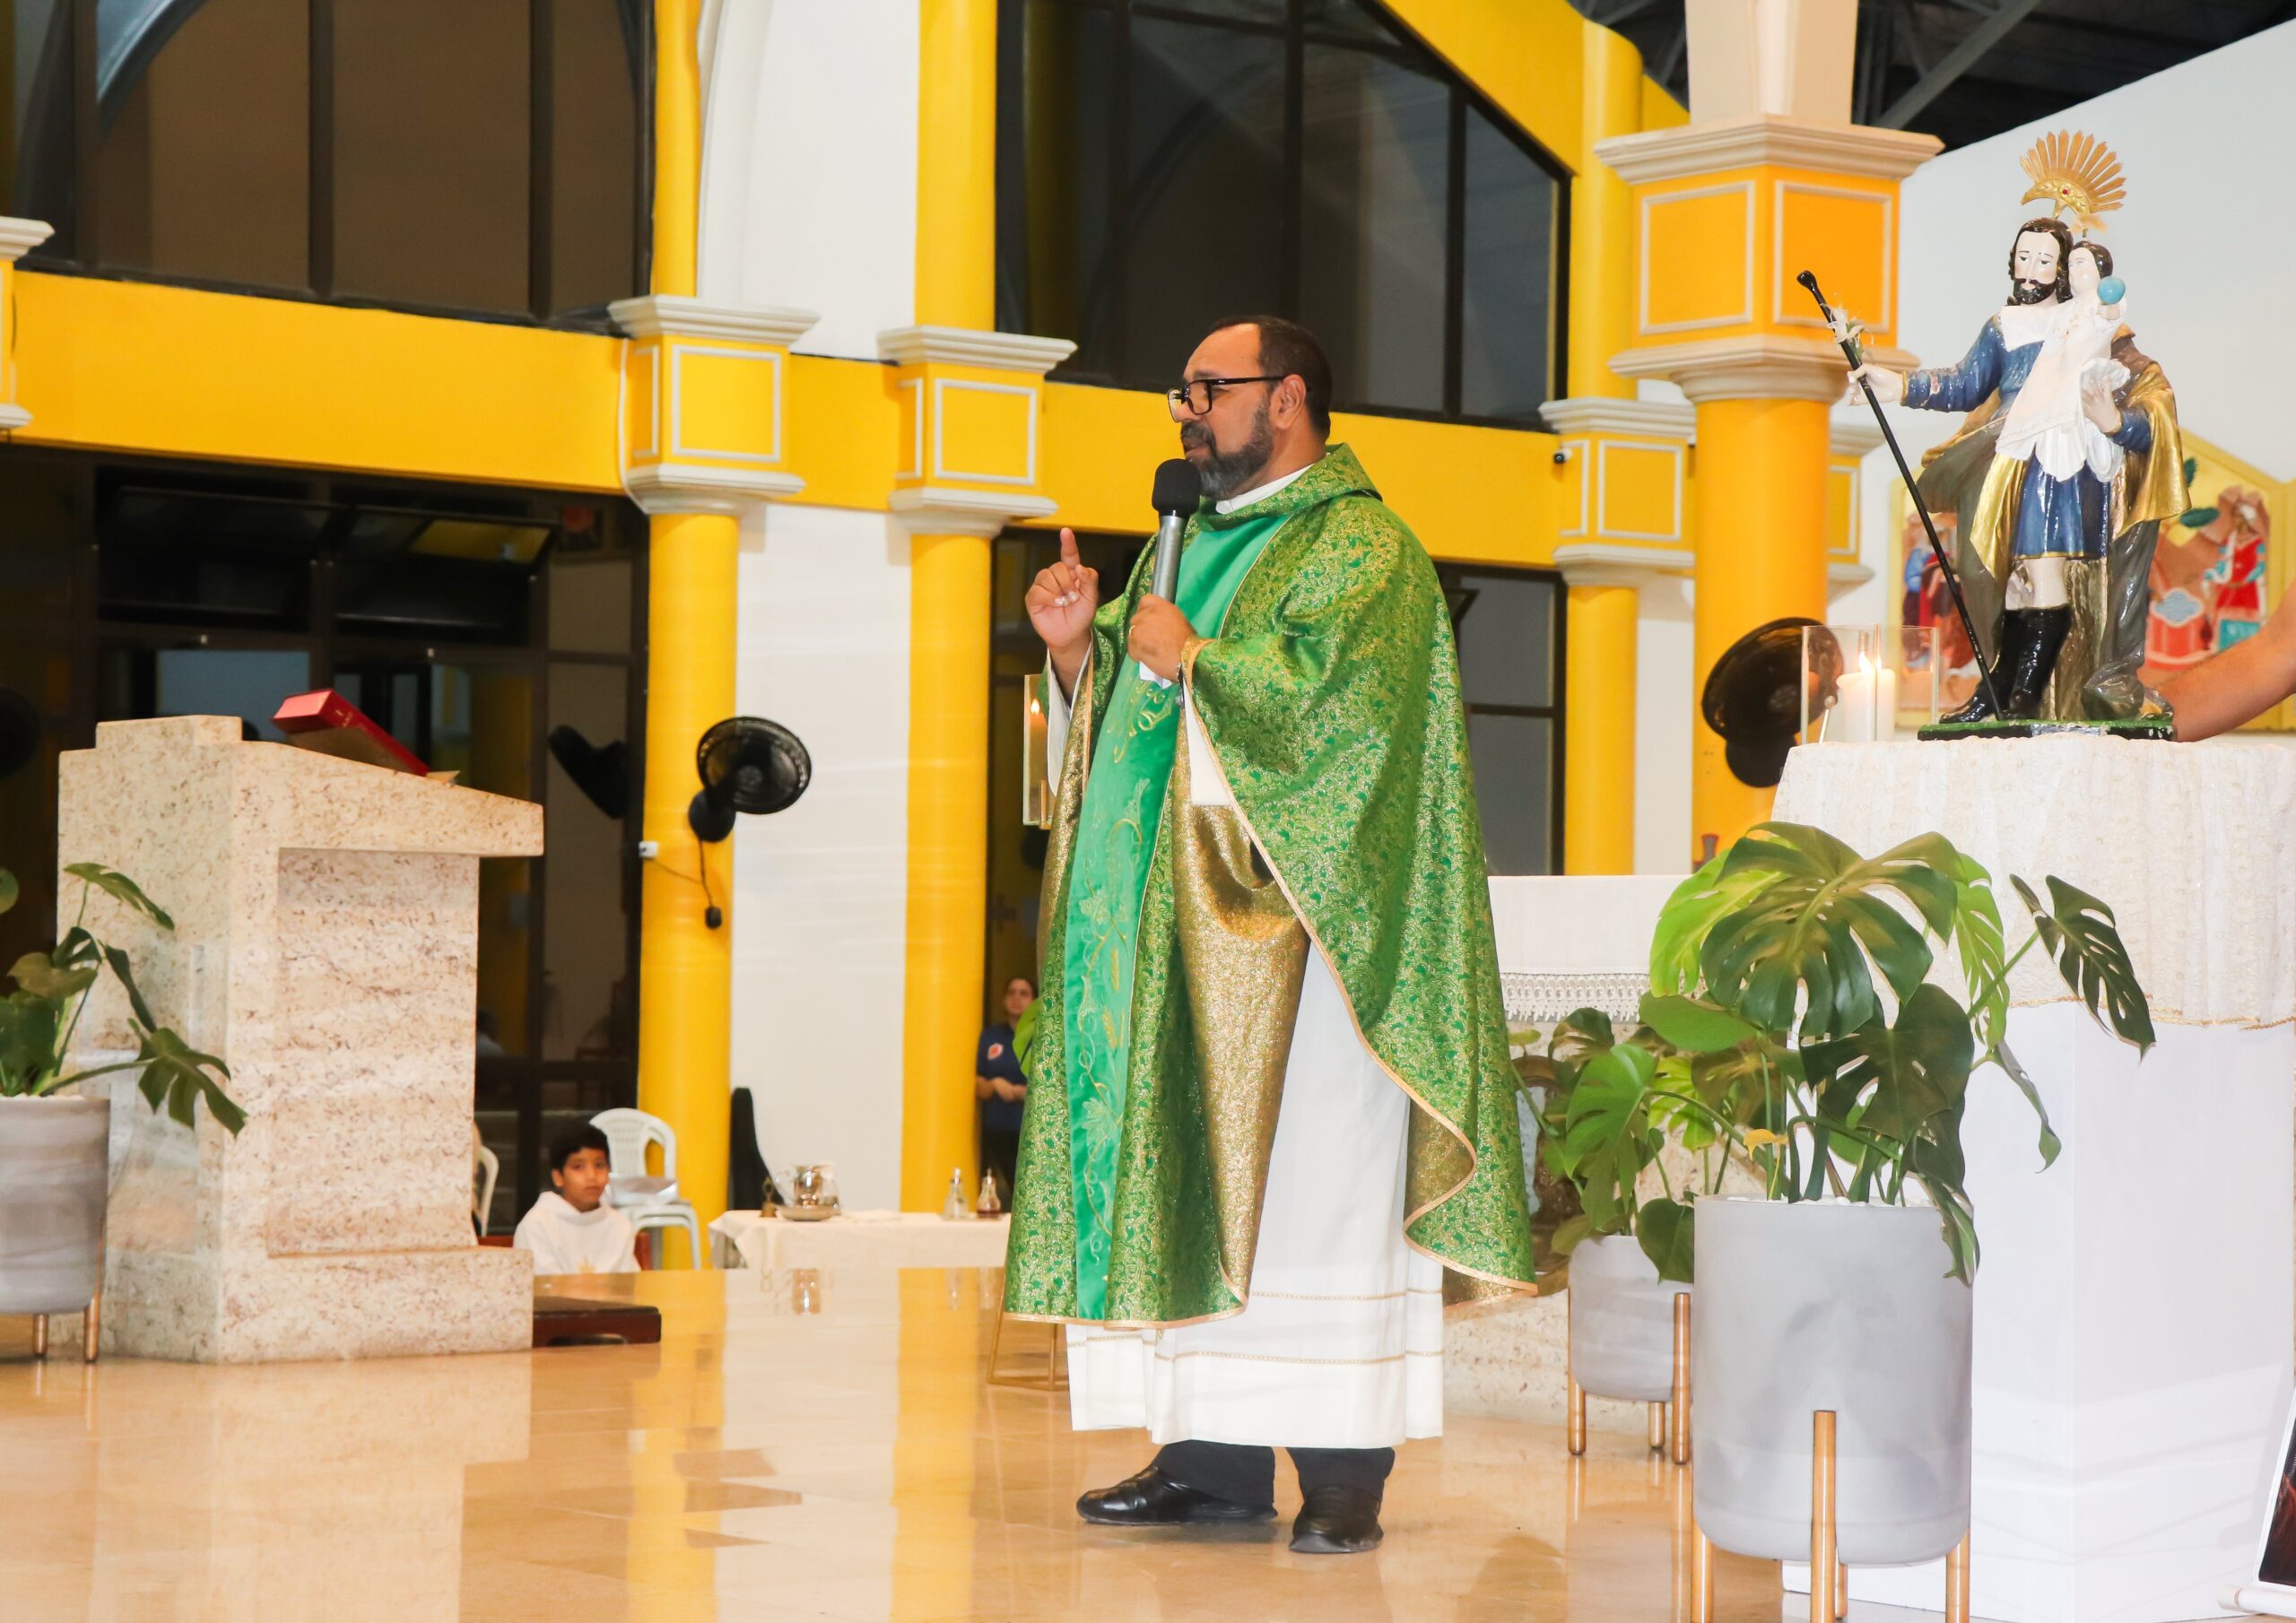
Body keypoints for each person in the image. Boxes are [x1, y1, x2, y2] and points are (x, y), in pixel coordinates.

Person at [1004, 314, 1534, 1556]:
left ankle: (1344, 1471)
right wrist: (1077, 657)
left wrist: (1198, 656)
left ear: (1285, 397)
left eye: (1208, 389)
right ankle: (1209, 1459)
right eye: (1181, 393)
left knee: (1316, 1198)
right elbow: (1127, 733)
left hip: (1309, 951)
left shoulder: (1365, 549)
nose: (1188, 412)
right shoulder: (1181, 546)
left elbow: (1349, 730)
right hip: (1172, 948)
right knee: (1190, 1176)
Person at [1850, 216, 2183, 725]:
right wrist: (1897, 385)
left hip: (2056, 463)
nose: (2031, 270)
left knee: (2041, 571)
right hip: (2003, 461)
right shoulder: (2002, 327)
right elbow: (1966, 384)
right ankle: (2000, 686)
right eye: (2024, 257)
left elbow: (2142, 401)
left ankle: (2020, 691)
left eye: (2045, 261)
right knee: (1997, 578)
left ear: (2063, 272)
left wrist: (2115, 420)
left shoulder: (2088, 324)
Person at [513, 1124, 639, 1275]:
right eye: (578, 1167)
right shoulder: (537, 1225)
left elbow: (630, 1284)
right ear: (558, 1177)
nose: (592, 1176)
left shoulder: (620, 1226)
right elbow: (541, 1285)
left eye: (599, 1165)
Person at [975, 975, 1035, 1202]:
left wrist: (1023, 1092)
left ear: (1034, 1001)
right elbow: (978, 1085)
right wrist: (995, 1084)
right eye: (1011, 992)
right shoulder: (991, 1036)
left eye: (1024, 993)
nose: (1016, 998)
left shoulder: (1041, 1038)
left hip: (1029, 1133)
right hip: (996, 1133)